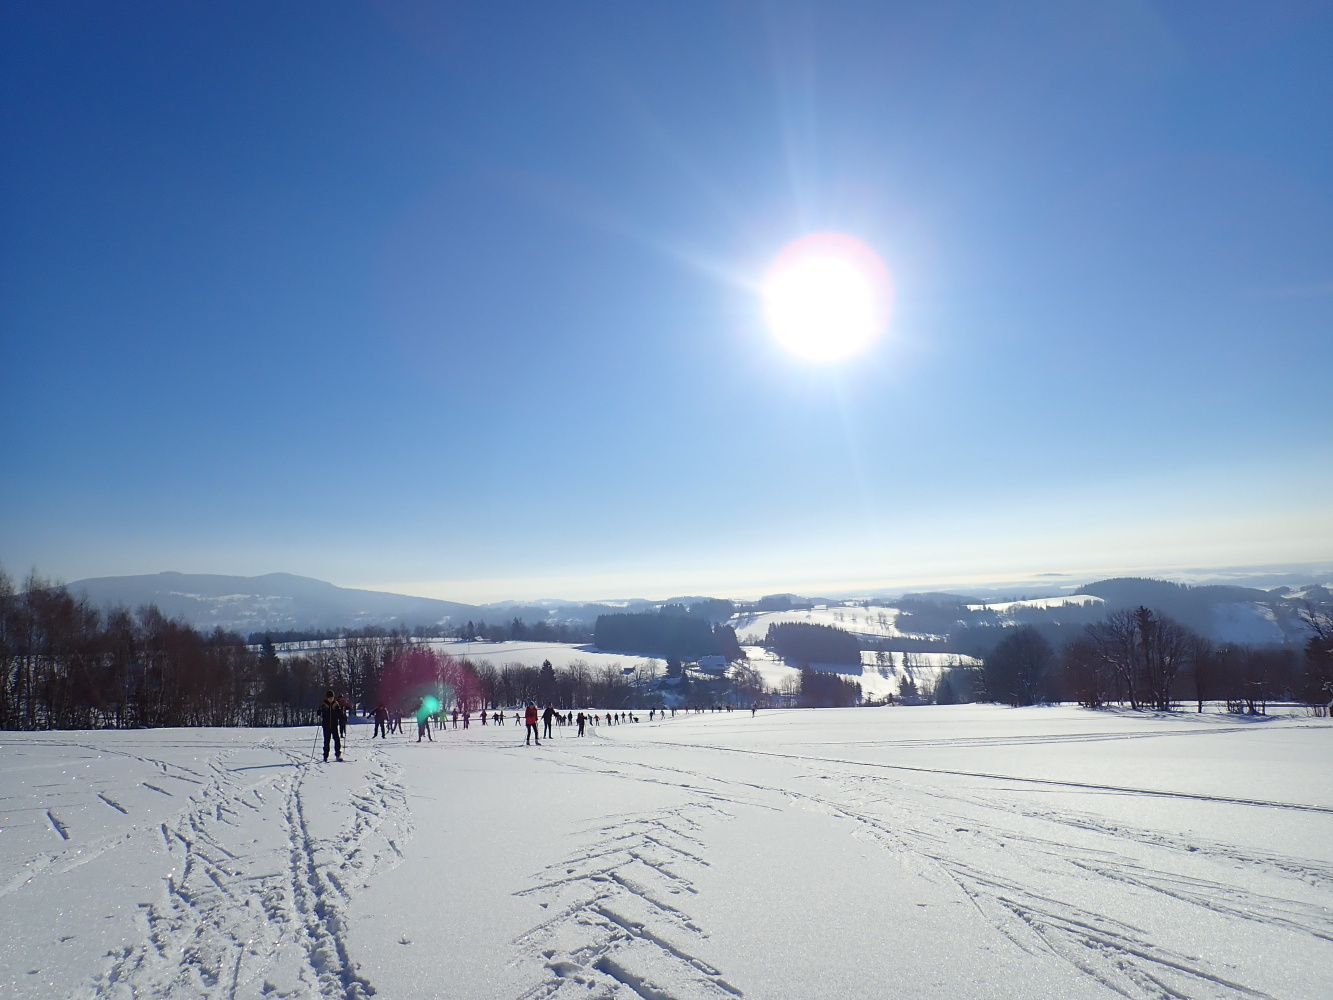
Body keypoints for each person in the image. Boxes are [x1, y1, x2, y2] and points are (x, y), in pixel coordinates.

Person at [319, 690, 346, 761]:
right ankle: (325, 756)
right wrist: (319, 712)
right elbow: (319, 711)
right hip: (326, 725)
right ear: (327, 698)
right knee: (326, 741)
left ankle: (338, 754)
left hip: (334, 724)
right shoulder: (324, 704)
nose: (331, 699)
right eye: (330, 698)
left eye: (332, 698)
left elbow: (339, 712)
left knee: (337, 739)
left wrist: (342, 718)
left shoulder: (335, 704)